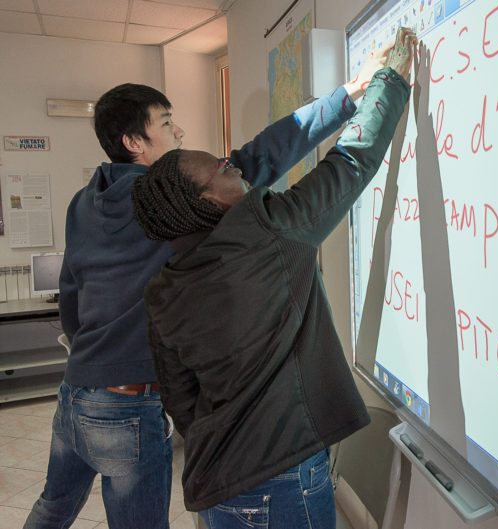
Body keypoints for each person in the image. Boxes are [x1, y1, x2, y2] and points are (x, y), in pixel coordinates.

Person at [24, 50, 389, 529]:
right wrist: (349, 95)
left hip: (76, 390)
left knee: (52, 507)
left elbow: (71, 293)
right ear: (133, 142)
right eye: (166, 123)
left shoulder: (85, 203)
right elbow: (259, 158)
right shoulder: (163, 203)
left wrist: (92, 354)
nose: (179, 132)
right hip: (129, 404)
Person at [130, 27, 417, 529]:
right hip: (280, 478)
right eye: (223, 168)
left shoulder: (164, 287)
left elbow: (181, 400)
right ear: (209, 201)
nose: (235, 168)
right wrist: (390, 81)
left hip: (217, 485)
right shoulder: (267, 231)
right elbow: (349, 163)